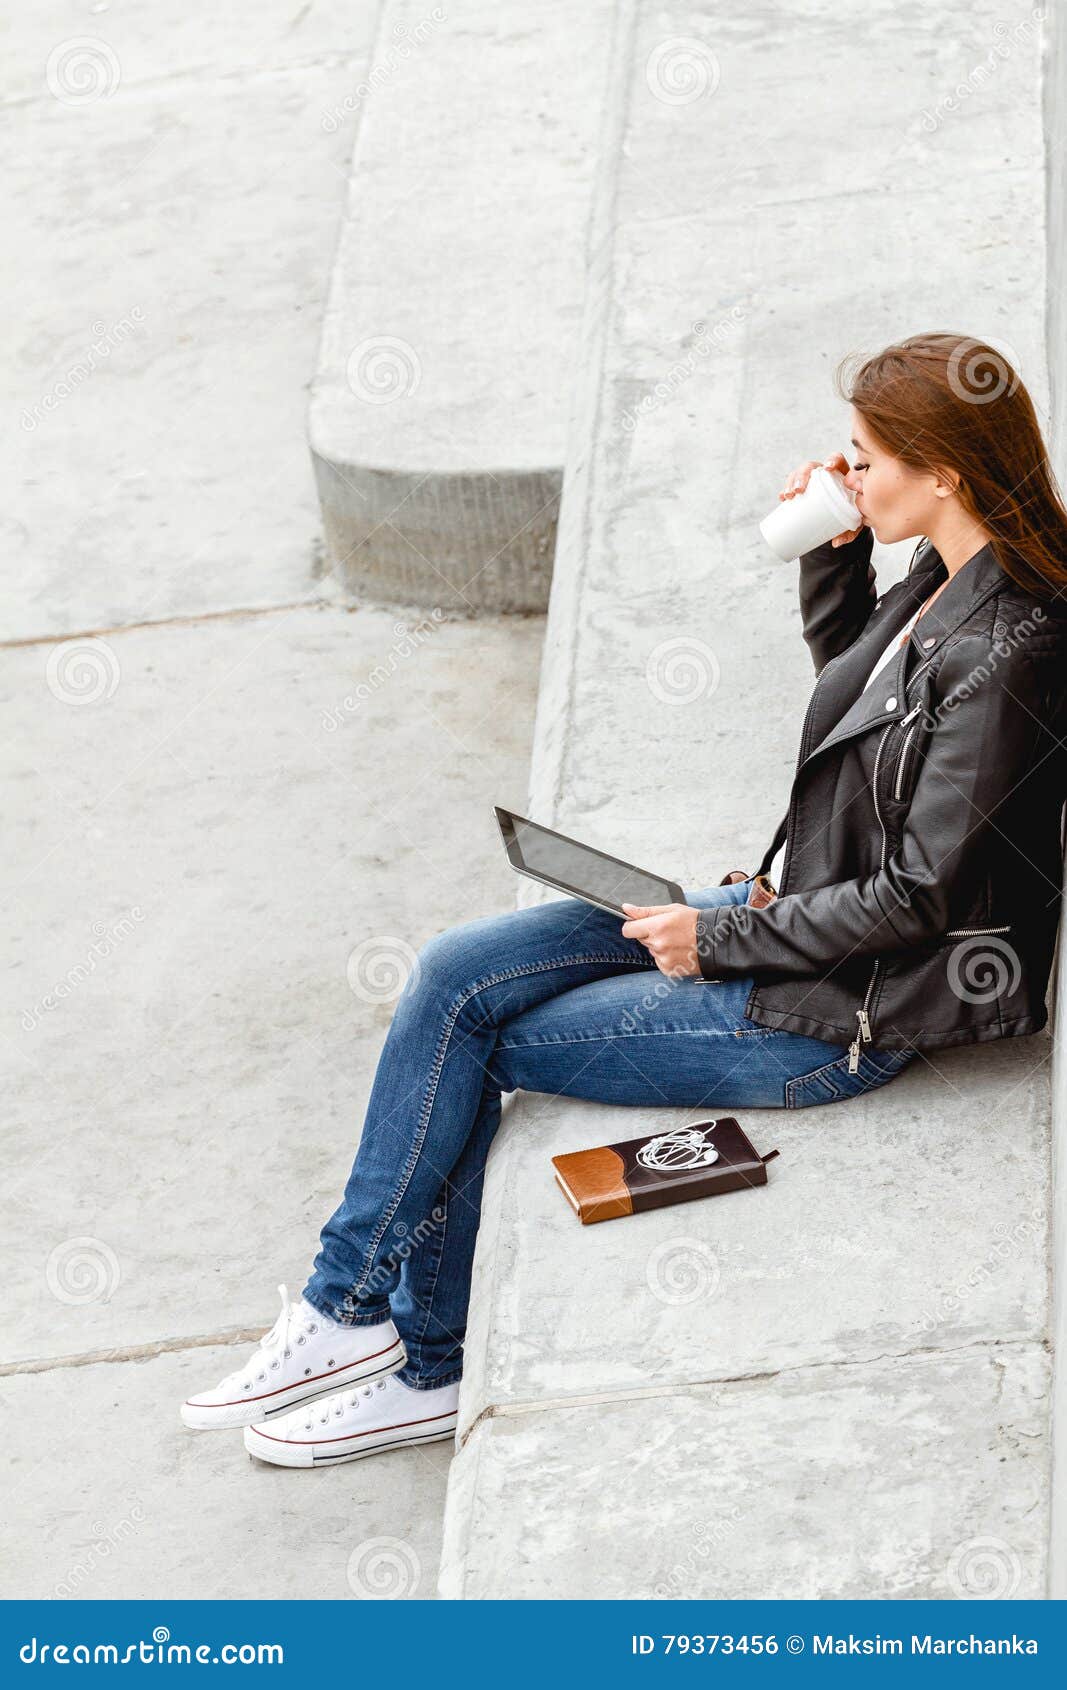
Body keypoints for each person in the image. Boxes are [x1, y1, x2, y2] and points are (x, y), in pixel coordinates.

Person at [180, 330, 1067, 1469]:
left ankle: (405, 1349)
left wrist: (722, 936)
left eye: (861, 459)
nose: (845, 474)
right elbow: (857, 703)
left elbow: (921, 896)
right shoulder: (952, 571)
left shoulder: (1015, 647)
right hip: (791, 916)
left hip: (844, 1010)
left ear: (939, 470)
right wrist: (831, 553)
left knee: (486, 1037)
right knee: (458, 970)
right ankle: (349, 1315)